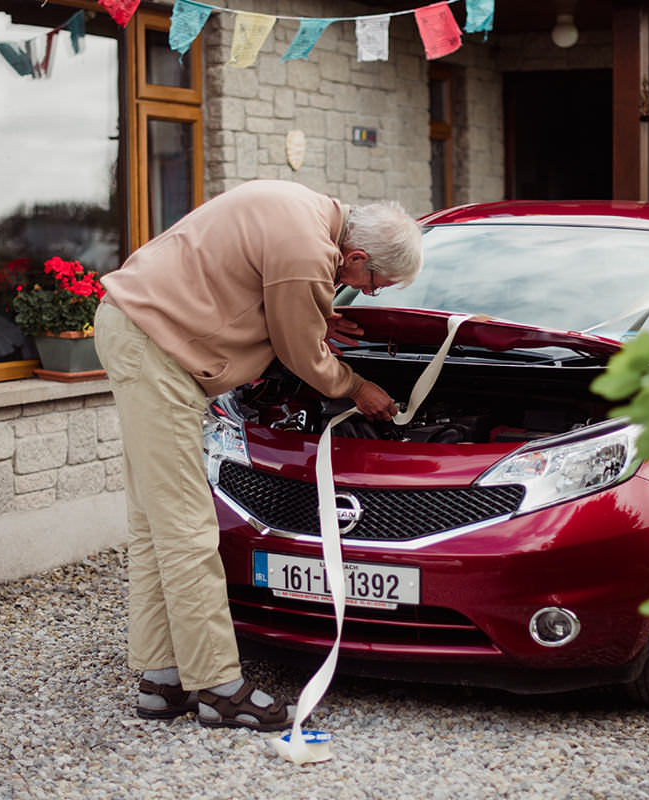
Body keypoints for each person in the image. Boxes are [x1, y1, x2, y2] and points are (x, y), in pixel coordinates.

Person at [94, 180, 422, 730]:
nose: (364, 293)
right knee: (187, 528)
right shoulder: (308, 250)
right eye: (371, 285)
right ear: (357, 256)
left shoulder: (306, 212)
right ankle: (220, 689)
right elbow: (300, 353)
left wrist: (312, 311)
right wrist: (357, 387)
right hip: (159, 351)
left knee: (156, 521)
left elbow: (261, 293)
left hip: (137, 332)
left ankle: (162, 679)